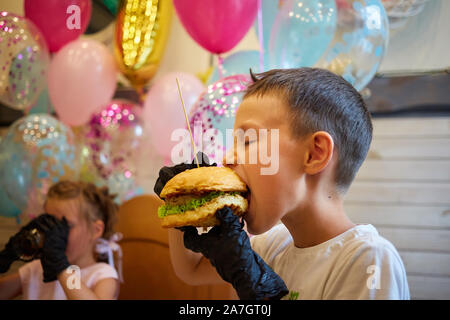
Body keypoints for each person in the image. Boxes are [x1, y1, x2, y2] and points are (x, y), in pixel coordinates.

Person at [154, 68, 410, 300]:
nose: (226, 158)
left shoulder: (367, 259)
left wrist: (260, 293)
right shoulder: (272, 245)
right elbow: (191, 270)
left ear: (314, 154)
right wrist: (183, 205)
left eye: (247, 141)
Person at [0, 181, 121, 300]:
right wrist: (6, 257)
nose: (53, 234)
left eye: (65, 225)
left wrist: (61, 268)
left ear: (96, 230)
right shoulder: (37, 269)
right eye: (50, 224)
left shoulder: (102, 274)